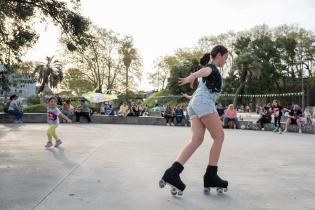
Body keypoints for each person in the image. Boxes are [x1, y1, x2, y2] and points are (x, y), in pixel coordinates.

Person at [159, 45, 229, 195]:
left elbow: (199, 91)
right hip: (204, 103)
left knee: (196, 140)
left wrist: (190, 96)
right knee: (219, 136)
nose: (225, 61)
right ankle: (211, 175)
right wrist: (193, 76)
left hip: (194, 104)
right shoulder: (211, 68)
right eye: (225, 57)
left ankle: (173, 172)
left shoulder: (209, 73)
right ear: (218, 55)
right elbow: (206, 70)